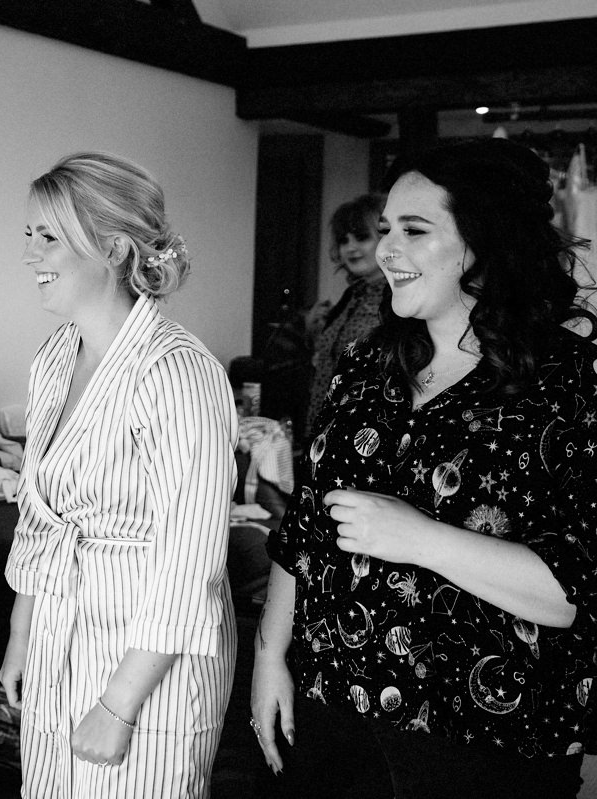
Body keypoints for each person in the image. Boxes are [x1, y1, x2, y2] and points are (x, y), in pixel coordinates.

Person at [250, 137, 597, 798]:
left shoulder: (571, 382)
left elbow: (574, 592)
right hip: (331, 708)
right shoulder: (366, 366)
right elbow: (306, 529)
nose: (385, 250)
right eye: (385, 230)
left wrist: (419, 537)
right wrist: (270, 656)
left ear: (485, 241)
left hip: (483, 736)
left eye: (414, 230)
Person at [0, 152, 238, 798]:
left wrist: (119, 702)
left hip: (147, 664)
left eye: (48, 236)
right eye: (29, 235)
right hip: (58, 637)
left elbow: (191, 562)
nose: (30, 255)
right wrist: (22, 634)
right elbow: (39, 513)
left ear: (111, 247)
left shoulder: (178, 373)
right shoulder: (55, 357)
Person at [303, 193, 387, 438]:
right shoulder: (350, 297)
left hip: (363, 435)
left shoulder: (399, 301)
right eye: (343, 240)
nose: (350, 248)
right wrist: (313, 331)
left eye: (361, 237)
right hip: (324, 429)